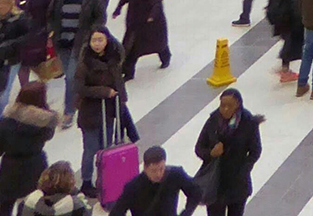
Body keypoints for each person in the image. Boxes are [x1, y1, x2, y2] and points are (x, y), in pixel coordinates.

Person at [75, 28, 130, 199]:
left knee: (105, 148)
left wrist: (122, 100)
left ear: (107, 40)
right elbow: (79, 88)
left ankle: (104, 179)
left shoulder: (113, 60)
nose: (97, 44)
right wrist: (104, 91)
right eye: (94, 40)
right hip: (90, 113)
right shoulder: (84, 64)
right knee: (90, 149)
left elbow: (118, 82)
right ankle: (86, 181)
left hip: (109, 111)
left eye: (100, 39)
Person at [47, 0, 103, 128]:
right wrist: (51, 32)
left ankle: (69, 111)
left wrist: (91, 35)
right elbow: (51, 15)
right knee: (69, 75)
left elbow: (99, 18)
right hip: (62, 41)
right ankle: (80, 97)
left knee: (70, 77)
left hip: (80, 43)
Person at [0, 79, 58, 212]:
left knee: (5, 206)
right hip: (35, 166)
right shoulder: (45, 122)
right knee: (31, 206)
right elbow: (48, 136)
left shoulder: (6, 119)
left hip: (9, 167)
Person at [193, 87, 261, 216]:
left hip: (238, 184)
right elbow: (199, 148)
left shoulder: (248, 123)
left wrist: (244, 169)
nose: (225, 109)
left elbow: (255, 150)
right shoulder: (213, 121)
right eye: (222, 105)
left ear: (238, 105)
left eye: (229, 106)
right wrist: (211, 153)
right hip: (216, 182)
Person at [108, 145, 203, 216]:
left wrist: (186, 213)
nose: (158, 174)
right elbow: (117, 212)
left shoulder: (175, 175)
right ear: (145, 168)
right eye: (153, 171)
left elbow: (196, 192)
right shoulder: (133, 187)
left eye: (161, 168)